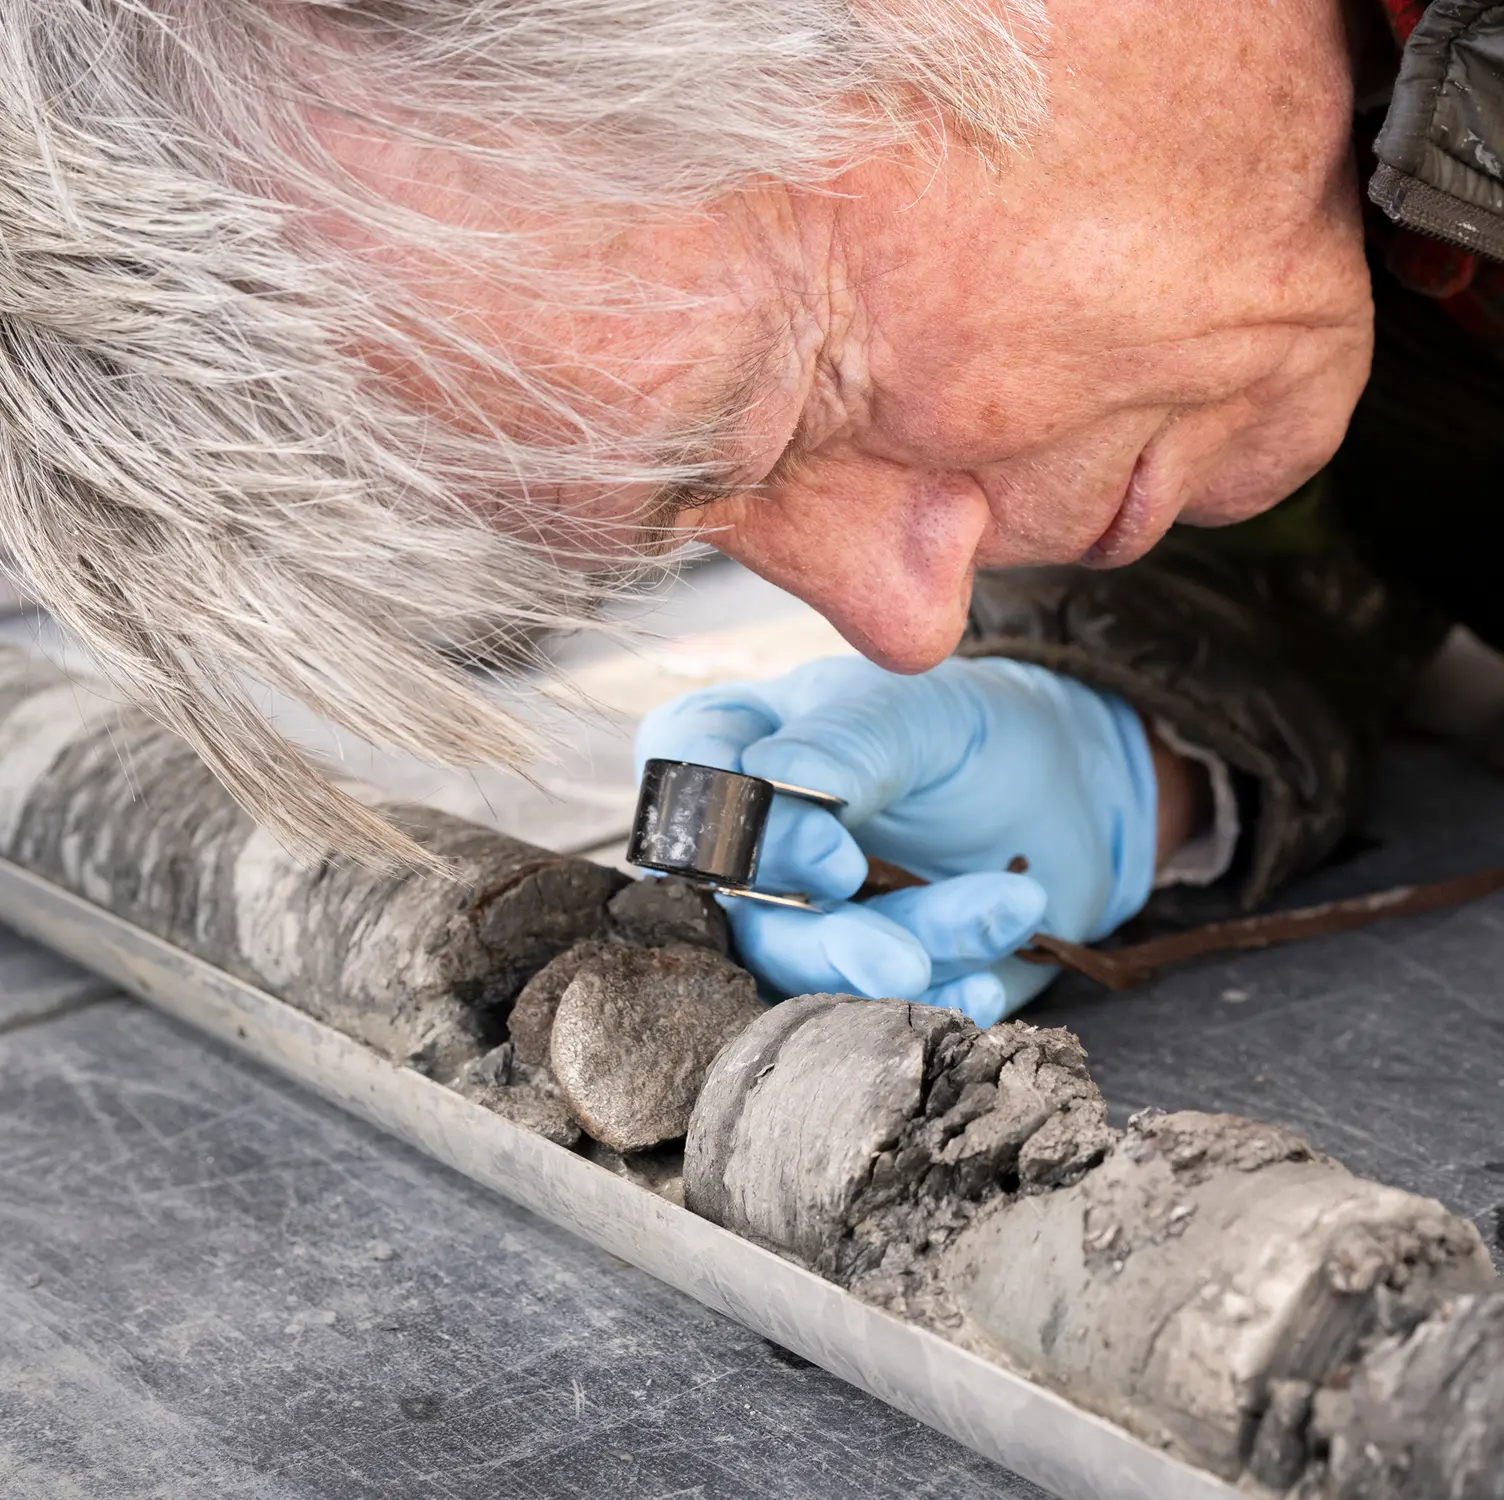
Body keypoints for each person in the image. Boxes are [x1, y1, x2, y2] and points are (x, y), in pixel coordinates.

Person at [1, 3, 1499, 1018]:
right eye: (709, 522)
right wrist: (1135, 741)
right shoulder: (1246, 210)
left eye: (791, 409)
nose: (904, 629)